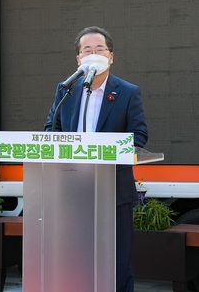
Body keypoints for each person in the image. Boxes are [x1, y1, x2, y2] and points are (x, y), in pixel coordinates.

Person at [44, 26, 148, 292]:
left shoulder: (127, 92)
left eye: (99, 49)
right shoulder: (66, 90)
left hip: (112, 188)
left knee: (117, 258)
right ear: (78, 60)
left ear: (111, 56)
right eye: (86, 50)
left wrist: (109, 151)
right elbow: (51, 129)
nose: (93, 54)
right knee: (75, 255)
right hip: (72, 187)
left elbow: (139, 135)